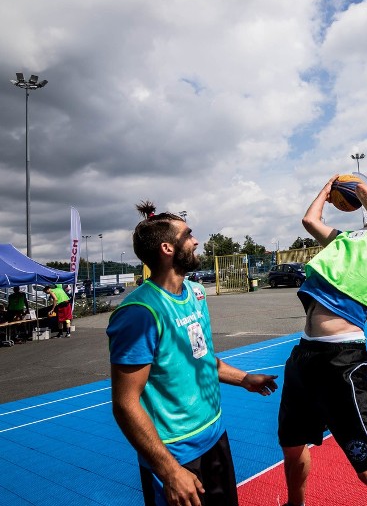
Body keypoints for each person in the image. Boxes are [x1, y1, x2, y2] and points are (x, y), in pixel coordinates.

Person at [107, 201, 279, 506]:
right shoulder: (140, 312)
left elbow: (200, 358)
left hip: (214, 436)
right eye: (188, 234)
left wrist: (244, 379)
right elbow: (125, 403)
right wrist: (169, 471)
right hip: (176, 453)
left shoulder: (195, 293)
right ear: (167, 248)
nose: (196, 240)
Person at [278, 175, 367, 506]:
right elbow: (309, 221)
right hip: (305, 352)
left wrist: (347, 179)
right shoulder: (349, 241)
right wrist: (328, 189)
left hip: (340, 356)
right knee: (292, 443)